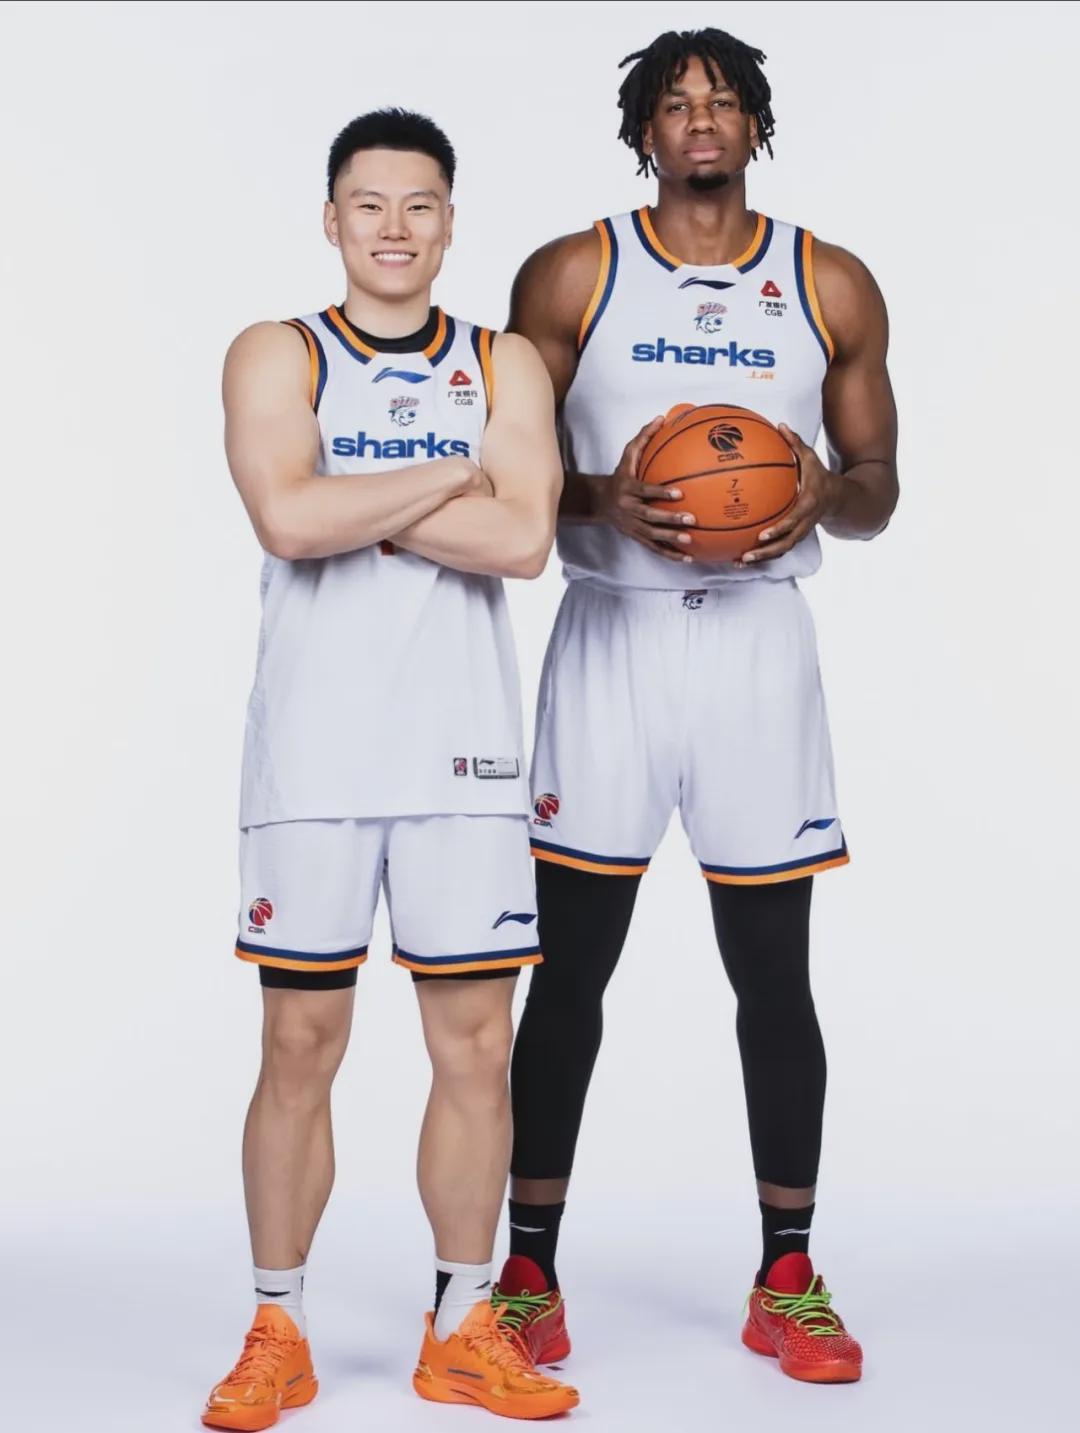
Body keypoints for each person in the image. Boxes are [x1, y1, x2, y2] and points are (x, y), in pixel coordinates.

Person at [494, 28, 899, 1385]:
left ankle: (788, 1276)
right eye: (676, 105)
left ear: (756, 125)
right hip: (609, 635)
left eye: (724, 102)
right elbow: (504, 471)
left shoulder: (828, 281)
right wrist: (604, 497)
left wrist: (823, 493)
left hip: (756, 647)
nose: (703, 120)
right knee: (568, 971)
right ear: (644, 134)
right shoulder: (573, 273)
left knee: (773, 973)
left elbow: (882, 485)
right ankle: (528, 1275)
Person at [203, 107, 578, 1428]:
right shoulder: (279, 350)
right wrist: (448, 473)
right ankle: (278, 1326)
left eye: (420, 204)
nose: (395, 228)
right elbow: (286, 515)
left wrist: (365, 500)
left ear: (450, 221)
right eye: (370, 204)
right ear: (332, 218)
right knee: (298, 1041)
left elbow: (525, 542)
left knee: (476, 1048)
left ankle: (462, 1327)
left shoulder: (503, 361)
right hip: (312, 756)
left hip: (462, 759)